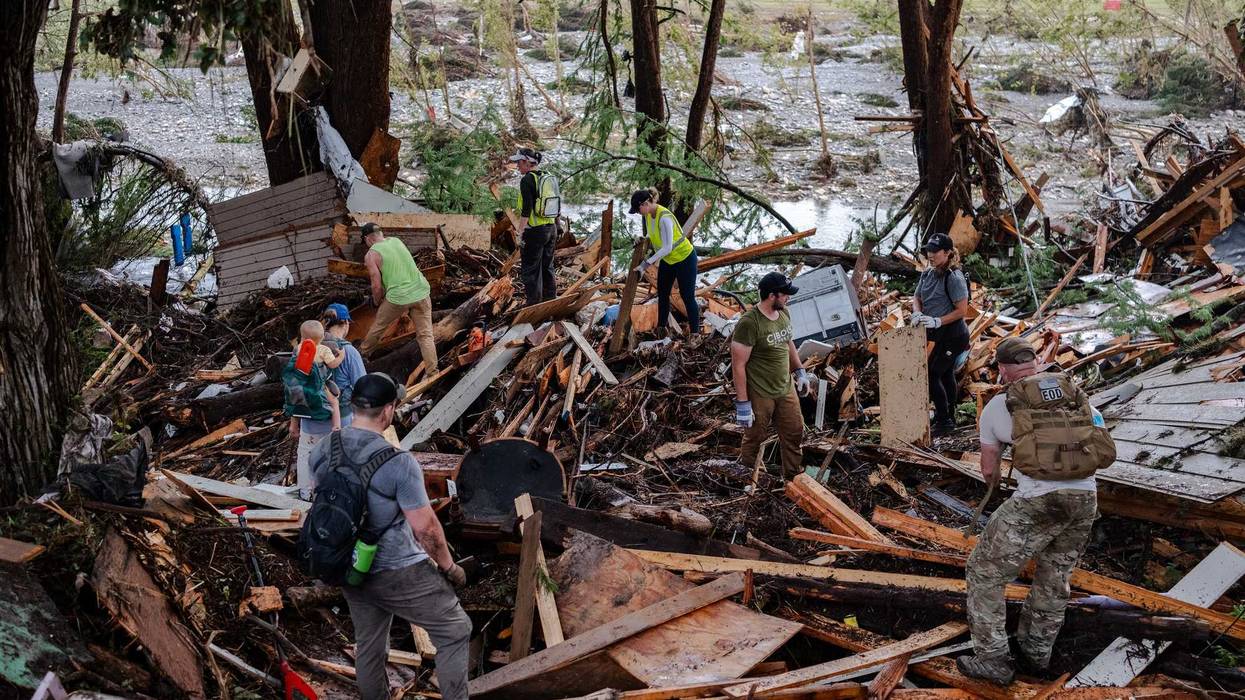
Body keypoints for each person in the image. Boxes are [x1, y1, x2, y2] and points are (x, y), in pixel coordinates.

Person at [957, 337, 1114, 685]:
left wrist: (1000, 483)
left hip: (1038, 500)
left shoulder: (1001, 405)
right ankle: (1036, 653)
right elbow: (1099, 437)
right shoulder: (1074, 394)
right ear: (1038, 364)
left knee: (984, 572)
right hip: (1086, 500)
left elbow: (987, 470)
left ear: (1001, 369)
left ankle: (994, 658)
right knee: (1054, 577)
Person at [314, 373, 471, 700]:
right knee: (456, 631)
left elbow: (315, 496)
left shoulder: (326, 447)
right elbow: (426, 529)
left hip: (349, 565)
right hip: (397, 569)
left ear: (353, 405)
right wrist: (449, 567)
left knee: (370, 645)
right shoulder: (399, 463)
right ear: (388, 411)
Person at [731, 272, 813, 477]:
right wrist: (742, 404)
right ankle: (749, 479)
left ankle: (793, 480)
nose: (788, 298)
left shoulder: (783, 313)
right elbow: (738, 365)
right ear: (771, 295)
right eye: (785, 294)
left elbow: (788, 342)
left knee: (795, 431)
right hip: (760, 391)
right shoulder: (749, 323)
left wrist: (800, 371)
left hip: (785, 387)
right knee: (755, 436)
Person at [359, 224, 437, 375]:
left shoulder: (371, 255)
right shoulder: (396, 241)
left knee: (379, 326)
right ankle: (433, 372)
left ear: (367, 238)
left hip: (398, 297)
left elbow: (376, 286)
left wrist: (376, 302)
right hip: (421, 291)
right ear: (380, 233)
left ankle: (361, 354)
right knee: (426, 335)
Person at [912, 232, 970, 437]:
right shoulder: (927, 273)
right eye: (929, 250)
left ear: (947, 253)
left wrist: (938, 320)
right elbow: (917, 296)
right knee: (944, 373)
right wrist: (917, 312)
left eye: (935, 251)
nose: (931, 254)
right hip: (936, 334)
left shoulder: (954, 277)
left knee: (932, 373)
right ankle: (948, 415)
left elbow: (962, 310)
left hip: (954, 335)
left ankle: (945, 420)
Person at [629, 188, 700, 336]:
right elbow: (652, 234)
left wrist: (646, 264)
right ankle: (662, 329)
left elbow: (667, 247)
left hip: (685, 258)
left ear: (646, 203)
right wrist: (641, 239)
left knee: (687, 297)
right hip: (669, 260)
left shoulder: (665, 217)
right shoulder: (648, 215)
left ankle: (695, 334)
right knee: (662, 293)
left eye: (637, 209)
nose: (637, 212)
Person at [510, 147, 559, 306]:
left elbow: (527, 209)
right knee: (547, 267)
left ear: (526, 162)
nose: (517, 166)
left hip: (535, 232)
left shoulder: (527, 180)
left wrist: (520, 232)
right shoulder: (547, 177)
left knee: (531, 270)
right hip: (551, 229)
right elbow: (554, 204)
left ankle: (533, 305)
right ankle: (550, 302)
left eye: (518, 162)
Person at [302, 319, 345, 431]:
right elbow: (332, 364)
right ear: (322, 338)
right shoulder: (323, 350)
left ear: (302, 338)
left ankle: (298, 422)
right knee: (334, 401)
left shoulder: (299, 349)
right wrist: (340, 357)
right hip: (319, 383)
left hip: (303, 383)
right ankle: (336, 426)